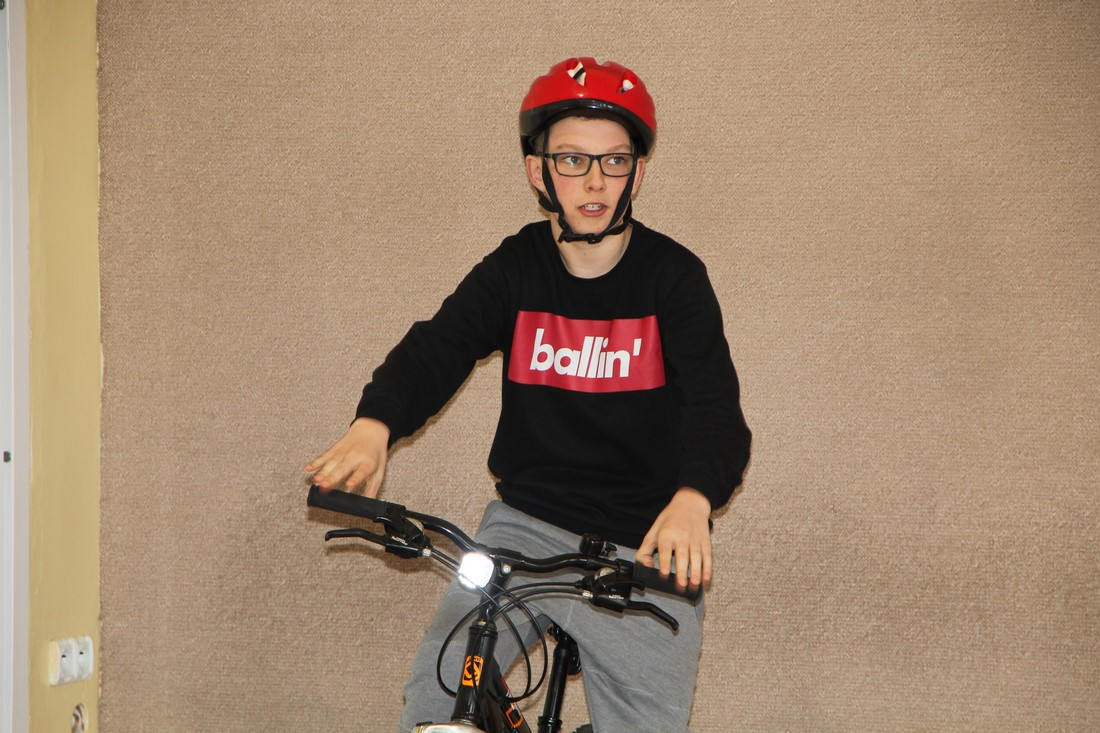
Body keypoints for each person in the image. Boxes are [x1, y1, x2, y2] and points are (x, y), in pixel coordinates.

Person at [306, 57, 751, 732]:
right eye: (571, 160)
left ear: (637, 173)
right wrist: (375, 424)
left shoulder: (674, 278)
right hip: (523, 530)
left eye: (614, 161)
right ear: (537, 171)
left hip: (647, 543)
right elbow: (436, 348)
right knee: (437, 700)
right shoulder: (516, 268)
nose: (594, 181)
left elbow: (717, 412)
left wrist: (694, 498)